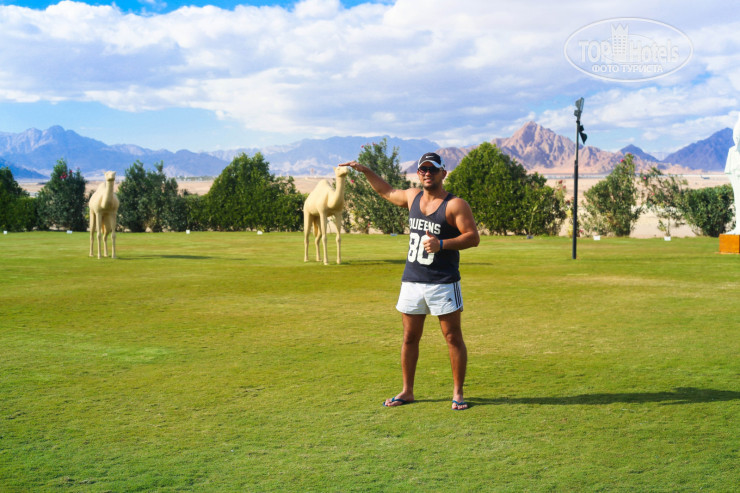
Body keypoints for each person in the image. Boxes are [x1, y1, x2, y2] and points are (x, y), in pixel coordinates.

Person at [341, 152, 480, 410]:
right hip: (412, 281)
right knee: (409, 338)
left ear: (443, 173)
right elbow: (386, 191)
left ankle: (458, 393)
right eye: (423, 169)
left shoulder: (455, 205)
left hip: (443, 282)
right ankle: (407, 391)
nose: (427, 173)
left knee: (452, 337)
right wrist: (365, 170)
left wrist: (441, 244)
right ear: (418, 173)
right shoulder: (412, 196)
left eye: (432, 169)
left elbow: (473, 237)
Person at [725, 115, 740, 235]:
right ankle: (738, 227)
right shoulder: (732, 151)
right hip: (737, 182)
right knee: (738, 204)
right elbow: (729, 170)